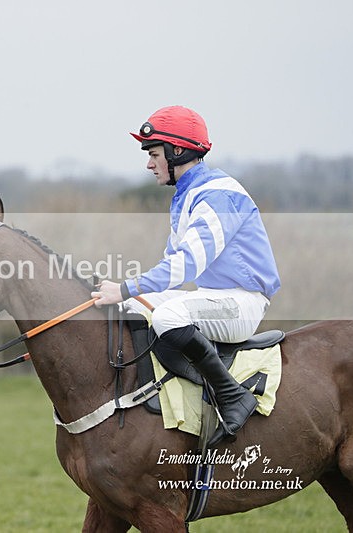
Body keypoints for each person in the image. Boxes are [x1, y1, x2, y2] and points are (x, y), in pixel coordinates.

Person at [92, 105, 281, 447]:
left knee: (166, 315)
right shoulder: (187, 195)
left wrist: (123, 287)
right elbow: (172, 267)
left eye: (153, 154)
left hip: (242, 304)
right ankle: (150, 399)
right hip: (215, 297)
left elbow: (184, 267)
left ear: (176, 151)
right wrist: (129, 295)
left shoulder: (217, 194)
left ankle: (232, 396)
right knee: (137, 306)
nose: (149, 164)